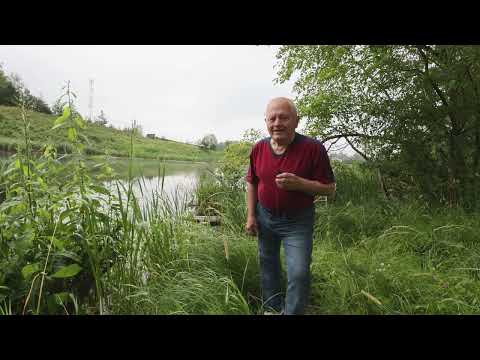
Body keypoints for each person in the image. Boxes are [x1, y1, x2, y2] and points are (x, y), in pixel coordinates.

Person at [245, 97, 336, 315]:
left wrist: (300, 184)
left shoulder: (313, 148)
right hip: (265, 217)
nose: (277, 123)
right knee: (269, 267)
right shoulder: (259, 148)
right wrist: (251, 215)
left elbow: (330, 188)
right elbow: (252, 181)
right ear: (266, 121)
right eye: (272, 118)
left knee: (299, 273)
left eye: (284, 117)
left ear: (297, 120)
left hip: (297, 221)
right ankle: (272, 308)